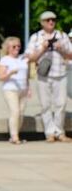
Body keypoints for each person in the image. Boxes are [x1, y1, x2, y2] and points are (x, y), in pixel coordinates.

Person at [25, 10, 72, 141]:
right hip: (43, 75)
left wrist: (61, 48)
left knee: (61, 104)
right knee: (45, 105)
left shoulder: (62, 36)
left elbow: (71, 55)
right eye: (48, 20)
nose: (51, 22)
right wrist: (42, 48)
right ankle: (49, 132)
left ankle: (59, 131)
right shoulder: (36, 37)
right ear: (42, 23)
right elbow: (30, 58)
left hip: (60, 73)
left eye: (53, 20)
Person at [0, 36, 29, 144]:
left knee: (21, 113)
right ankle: (14, 136)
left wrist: (29, 87)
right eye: (14, 46)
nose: (17, 48)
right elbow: (1, 77)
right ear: (8, 48)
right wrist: (10, 73)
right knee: (15, 111)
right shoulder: (5, 60)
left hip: (23, 89)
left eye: (19, 46)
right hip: (10, 89)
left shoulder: (22, 58)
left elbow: (26, 75)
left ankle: (15, 134)